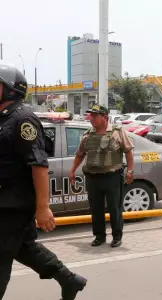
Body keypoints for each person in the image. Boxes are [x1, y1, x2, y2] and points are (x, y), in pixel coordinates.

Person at [0, 60, 87, 300]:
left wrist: (43, 207)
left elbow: (38, 164)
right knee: (23, 247)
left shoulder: (23, 119)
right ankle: (69, 280)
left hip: (13, 204)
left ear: (9, 88)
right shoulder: (3, 117)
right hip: (5, 200)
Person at [69, 104, 134, 248]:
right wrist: (72, 170)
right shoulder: (88, 135)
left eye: (94, 116)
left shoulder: (118, 132)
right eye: (90, 116)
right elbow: (80, 154)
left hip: (112, 177)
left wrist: (130, 170)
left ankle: (117, 236)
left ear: (104, 117)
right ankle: (99, 236)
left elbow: (128, 151)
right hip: (93, 178)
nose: (91, 118)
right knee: (96, 209)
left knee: (114, 209)